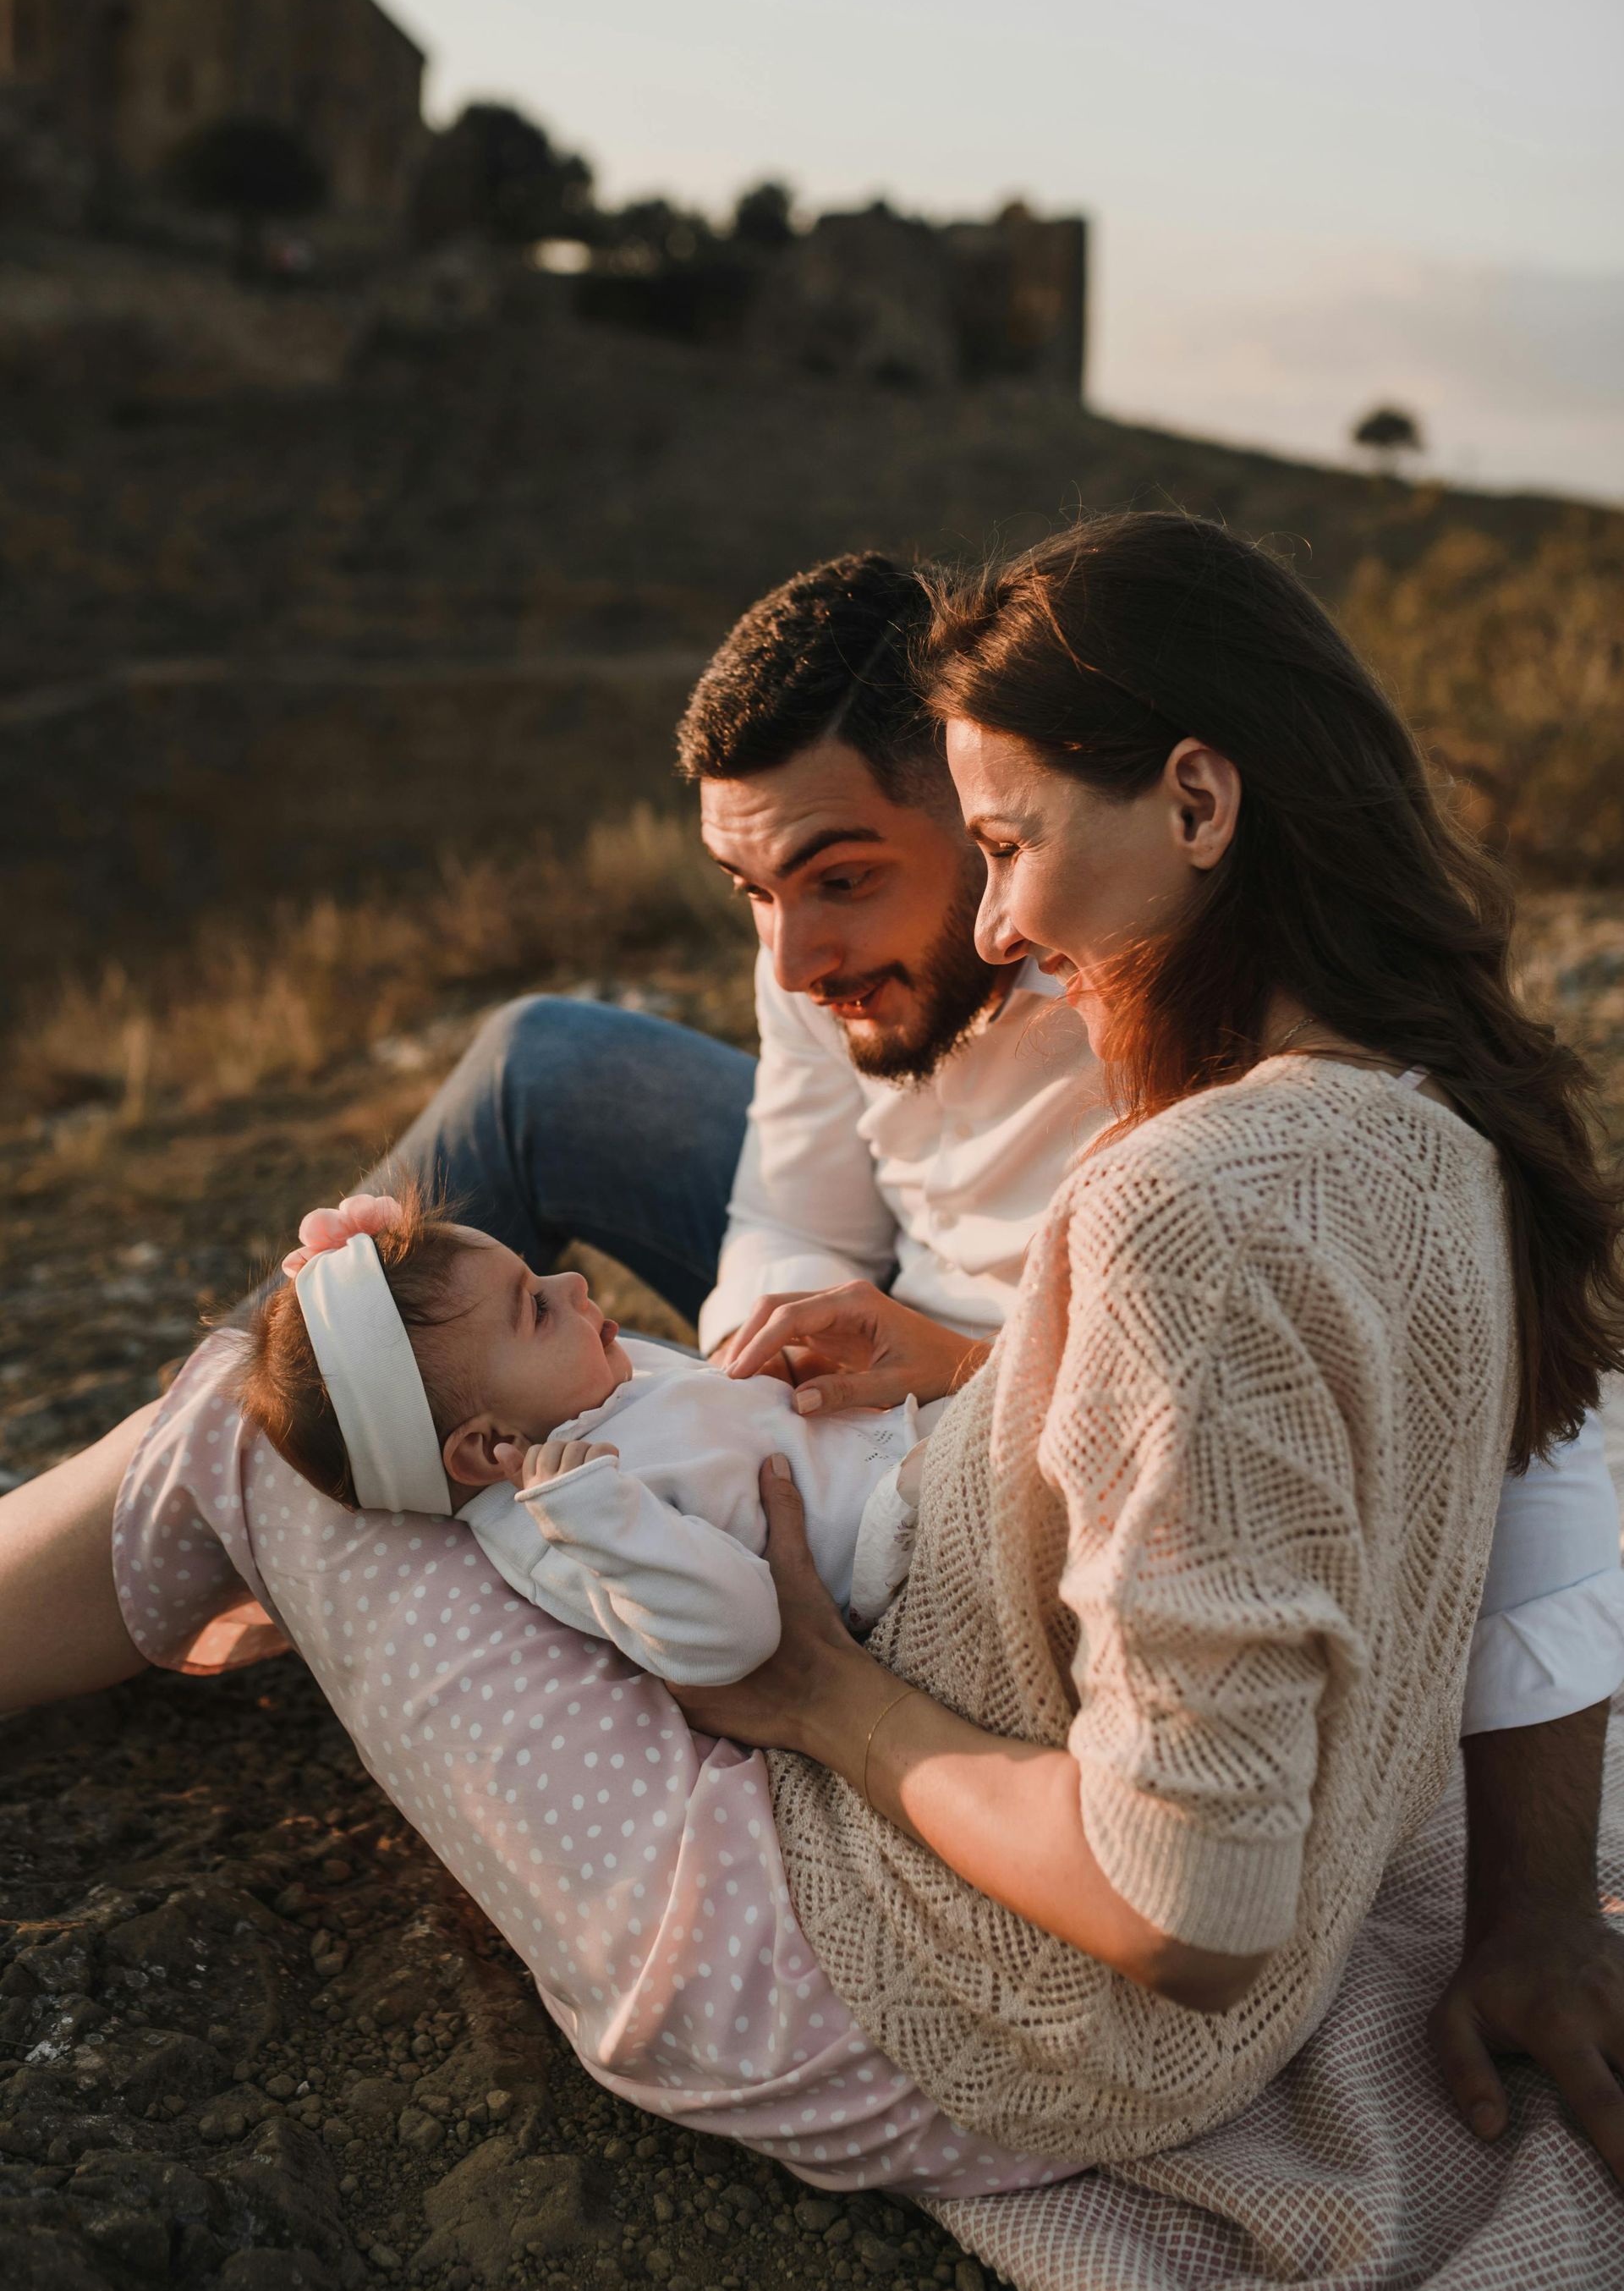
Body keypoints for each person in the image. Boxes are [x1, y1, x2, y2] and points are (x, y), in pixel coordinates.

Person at [3, 540, 1622, 2174]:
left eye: (875, 872)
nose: (789, 959)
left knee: (236, 1414)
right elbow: (790, 1204)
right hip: (922, 1437)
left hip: (977, 1636)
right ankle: (375, 1421)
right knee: (536, 1072)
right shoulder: (1348, 1115)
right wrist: (721, 1406)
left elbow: (1457, 1416)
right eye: (752, 896)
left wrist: (840, 1643)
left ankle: (289, 1475)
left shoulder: (1161, 1057)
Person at [235, 1188, 929, 1684]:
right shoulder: (561, 1527)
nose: (573, 1280)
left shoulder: (586, 1394)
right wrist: (600, 1516)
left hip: (899, 1441)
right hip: (892, 1539)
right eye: (536, 1306)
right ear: (486, 1447)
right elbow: (736, 1637)